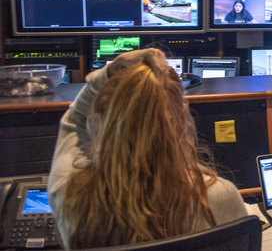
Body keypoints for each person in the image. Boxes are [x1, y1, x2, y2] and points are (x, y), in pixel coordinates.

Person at [47, 48, 248, 249]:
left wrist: (109, 72)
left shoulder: (71, 195)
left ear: (107, 124)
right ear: (180, 121)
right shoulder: (221, 195)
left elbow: (74, 118)